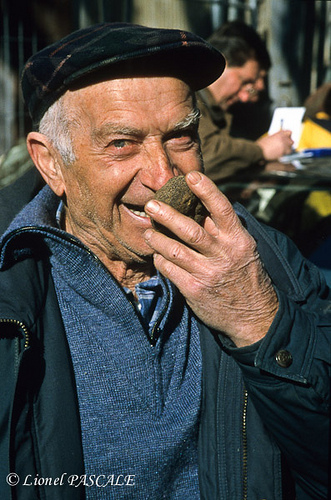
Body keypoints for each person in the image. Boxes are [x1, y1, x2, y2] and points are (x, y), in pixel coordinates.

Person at [0, 22, 329, 500]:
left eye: (181, 138)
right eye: (121, 144)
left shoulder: (265, 260)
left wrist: (259, 321)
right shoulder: (12, 289)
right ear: (51, 163)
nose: (162, 175)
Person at [198, 21, 294, 183]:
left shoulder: (215, 110)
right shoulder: (186, 97)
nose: (245, 98)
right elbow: (204, 157)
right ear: (220, 62)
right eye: (245, 82)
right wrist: (261, 150)